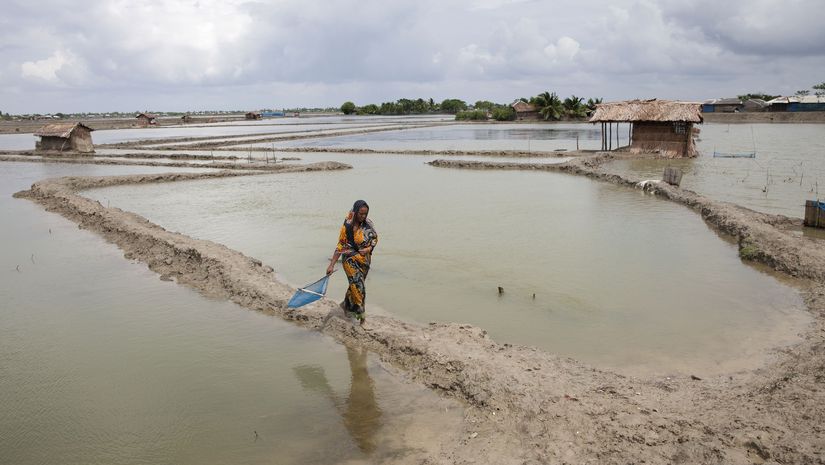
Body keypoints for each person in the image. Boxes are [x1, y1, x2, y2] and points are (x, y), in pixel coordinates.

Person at [326, 200, 378, 325]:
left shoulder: (368, 224)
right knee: (359, 287)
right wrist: (332, 264)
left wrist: (369, 249)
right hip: (349, 259)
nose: (363, 216)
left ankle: (346, 305)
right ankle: (361, 317)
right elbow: (340, 245)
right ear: (355, 212)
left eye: (365, 214)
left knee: (354, 287)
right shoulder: (347, 226)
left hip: (364, 260)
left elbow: (375, 239)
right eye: (361, 214)